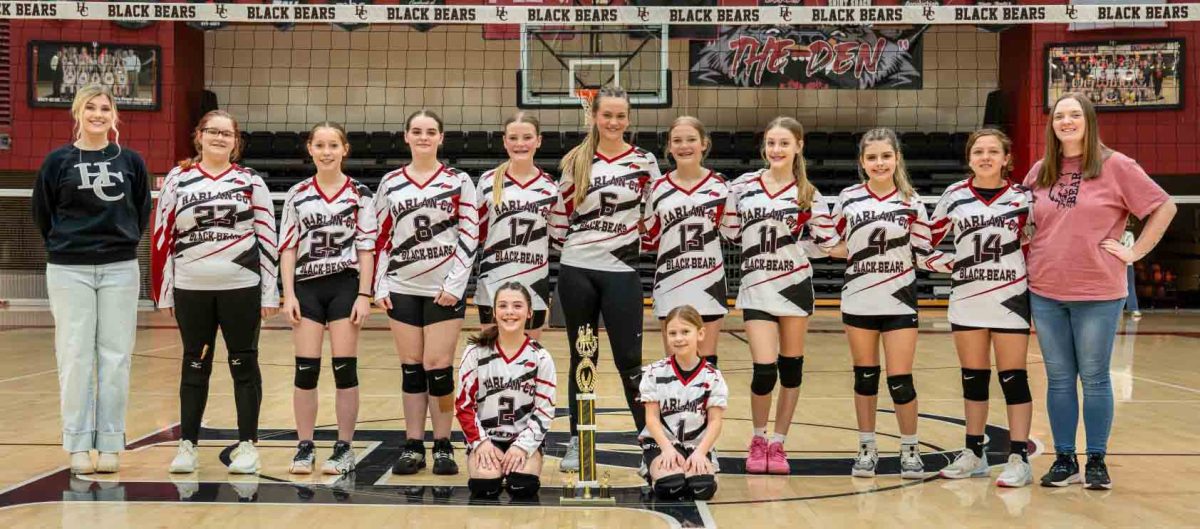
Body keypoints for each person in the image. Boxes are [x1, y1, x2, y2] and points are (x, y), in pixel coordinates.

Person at [1024, 92, 1176, 490]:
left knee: (1093, 377)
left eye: (1075, 114)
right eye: (1060, 116)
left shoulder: (1116, 165)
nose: (1067, 121)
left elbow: (1164, 207)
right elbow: (1025, 223)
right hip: (1045, 289)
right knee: (1058, 379)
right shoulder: (1041, 170)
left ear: (1089, 121)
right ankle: (1063, 459)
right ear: (1051, 124)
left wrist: (1134, 252)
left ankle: (1095, 460)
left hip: (1097, 292)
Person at [32, 84, 151, 475]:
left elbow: (141, 209)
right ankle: (78, 444)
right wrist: (65, 246)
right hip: (69, 269)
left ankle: (112, 441)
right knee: (74, 356)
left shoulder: (130, 161)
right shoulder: (58, 161)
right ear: (77, 113)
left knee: (116, 357)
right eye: (90, 108)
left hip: (119, 266)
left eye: (105, 108)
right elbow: (42, 212)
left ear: (115, 116)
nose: (98, 114)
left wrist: (121, 242)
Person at [153, 110, 279, 475]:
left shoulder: (250, 181)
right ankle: (187, 444)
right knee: (195, 363)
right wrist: (164, 291)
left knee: (244, 363)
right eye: (213, 131)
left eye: (227, 133)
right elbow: (162, 237)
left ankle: (248, 445)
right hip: (191, 287)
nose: (219, 138)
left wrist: (270, 292)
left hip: (240, 287)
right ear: (199, 135)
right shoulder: (179, 179)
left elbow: (268, 238)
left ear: (235, 141)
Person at [549, 85, 661, 472]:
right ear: (594, 116)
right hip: (578, 270)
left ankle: (650, 443)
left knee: (631, 362)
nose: (613, 122)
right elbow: (559, 220)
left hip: (622, 271)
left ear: (628, 119)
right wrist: (583, 248)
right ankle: (579, 440)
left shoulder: (645, 162)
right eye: (606, 114)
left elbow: (654, 215)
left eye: (620, 115)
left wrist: (628, 243)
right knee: (583, 357)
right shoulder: (576, 161)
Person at [722, 117, 837, 474]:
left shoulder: (808, 194)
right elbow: (729, 231)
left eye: (784, 143)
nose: (776, 150)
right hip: (756, 286)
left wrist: (803, 249)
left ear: (799, 146)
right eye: (771, 143)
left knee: (791, 370)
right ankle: (758, 439)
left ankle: (779, 443)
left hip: (795, 286)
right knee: (763, 370)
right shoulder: (743, 187)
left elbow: (827, 242)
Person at [922, 129, 1035, 487]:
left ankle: (1018, 457)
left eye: (993, 152)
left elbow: (1038, 242)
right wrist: (950, 264)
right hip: (967, 300)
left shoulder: (1023, 198)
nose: (985, 157)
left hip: (1010, 299)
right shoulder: (954, 196)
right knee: (973, 379)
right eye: (978, 152)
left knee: (1013, 379)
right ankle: (974, 453)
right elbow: (924, 244)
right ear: (969, 158)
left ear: (1006, 158)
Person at [829, 127, 939, 479]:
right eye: (872, 157)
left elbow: (923, 253)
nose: (879, 163)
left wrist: (960, 263)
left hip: (900, 301)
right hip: (859, 299)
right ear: (862, 161)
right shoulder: (848, 198)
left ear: (896, 159)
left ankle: (910, 448)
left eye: (885, 156)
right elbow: (835, 244)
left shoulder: (912, 202)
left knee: (901, 380)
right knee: (865, 377)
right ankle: (867, 448)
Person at [375, 109, 477, 476]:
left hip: (442, 290)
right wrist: (379, 283)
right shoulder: (390, 183)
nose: (423, 136)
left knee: (439, 368)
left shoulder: (458, 180)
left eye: (430, 131)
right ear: (405, 137)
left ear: (441, 137)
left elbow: (469, 233)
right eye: (416, 131)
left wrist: (455, 284)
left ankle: (444, 445)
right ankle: (413, 444)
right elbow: (380, 236)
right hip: (402, 286)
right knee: (412, 369)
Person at [279, 122, 377, 475]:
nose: (326, 151)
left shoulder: (361, 194)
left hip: (345, 286)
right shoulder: (297, 193)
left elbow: (367, 248)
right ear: (310, 149)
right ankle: (304, 446)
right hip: (306, 287)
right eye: (319, 145)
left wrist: (364, 294)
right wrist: (287, 293)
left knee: (344, 370)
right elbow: (288, 247)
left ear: (344, 149)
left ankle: (344, 447)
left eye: (333, 145)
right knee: (305, 371)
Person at [454, 282, 556, 500]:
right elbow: (463, 406)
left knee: (523, 486)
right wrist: (480, 443)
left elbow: (544, 412)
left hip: (523, 439)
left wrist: (522, 447)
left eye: (517, 306)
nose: (510, 312)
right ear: (494, 312)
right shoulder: (475, 353)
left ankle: (530, 457)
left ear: (529, 312)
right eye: (503, 306)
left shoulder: (540, 357)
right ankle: (481, 458)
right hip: (486, 438)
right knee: (485, 486)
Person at [642, 116, 729, 365]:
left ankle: (709, 406)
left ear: (704, 143)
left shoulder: (721, 186)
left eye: (691, 139)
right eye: (677, 140)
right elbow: (650, 237)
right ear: (669, 146)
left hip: (708, 282)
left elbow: (733, 231)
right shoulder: (658, 188)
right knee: (674, 362)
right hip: (671, 283)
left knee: (708, 362)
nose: (684, 146)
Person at [475, 112, 557, 341]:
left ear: (539, 141)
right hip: (493, 282)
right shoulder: (487, 182)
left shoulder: (551, 187)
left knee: (527, 359)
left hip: (534, 284)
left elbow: (558, 236)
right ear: (504, 141)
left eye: (527, 137)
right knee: (490, 357)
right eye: (513, 138)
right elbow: (475, 233)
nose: (520, 144)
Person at [639, 305, 727, 500]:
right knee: (670, 486)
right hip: (661, 444)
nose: (678, 338)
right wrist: (667, 449)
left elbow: (715, 421)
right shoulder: (655, 372)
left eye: (685, 331)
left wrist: (701, 452)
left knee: (702, 488)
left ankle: (701, 469)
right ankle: (653, 471)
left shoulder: (713, 376)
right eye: (672, 333)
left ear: (700, 333)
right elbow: (651, 419)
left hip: (697, 445)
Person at [1121, 220, 1141, 320]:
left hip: (1127, 263)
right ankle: (1116, 309)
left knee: (1130, 285)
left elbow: (1130, 248)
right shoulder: (1111, 234)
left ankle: (1133, 308)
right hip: (1114, 265)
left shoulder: (1129, 235)